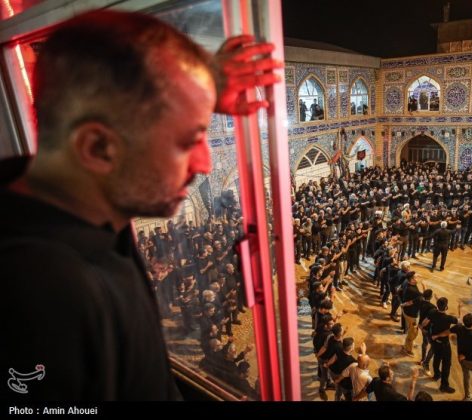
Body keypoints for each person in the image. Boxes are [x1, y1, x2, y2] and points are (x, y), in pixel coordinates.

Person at [1, 10, 282, 400]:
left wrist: (201, 91)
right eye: (188, 141)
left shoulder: (68, 196)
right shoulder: (44, 297)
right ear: (98, 147)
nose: (205, 164)